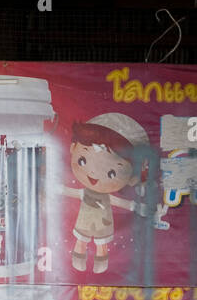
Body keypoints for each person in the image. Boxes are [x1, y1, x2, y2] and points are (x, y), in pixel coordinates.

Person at [62, 112, 153, 273]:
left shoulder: (106, 196)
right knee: (81, 241)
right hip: (84, 221)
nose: (94, 174)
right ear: (73, 148)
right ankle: (78, 259)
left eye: (112, 173)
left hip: (103, 223)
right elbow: (71, 192)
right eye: (83, 160)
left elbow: (118, 202)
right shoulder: (85, 192)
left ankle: (101, 264)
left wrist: (135, 206)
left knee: (101, 245)